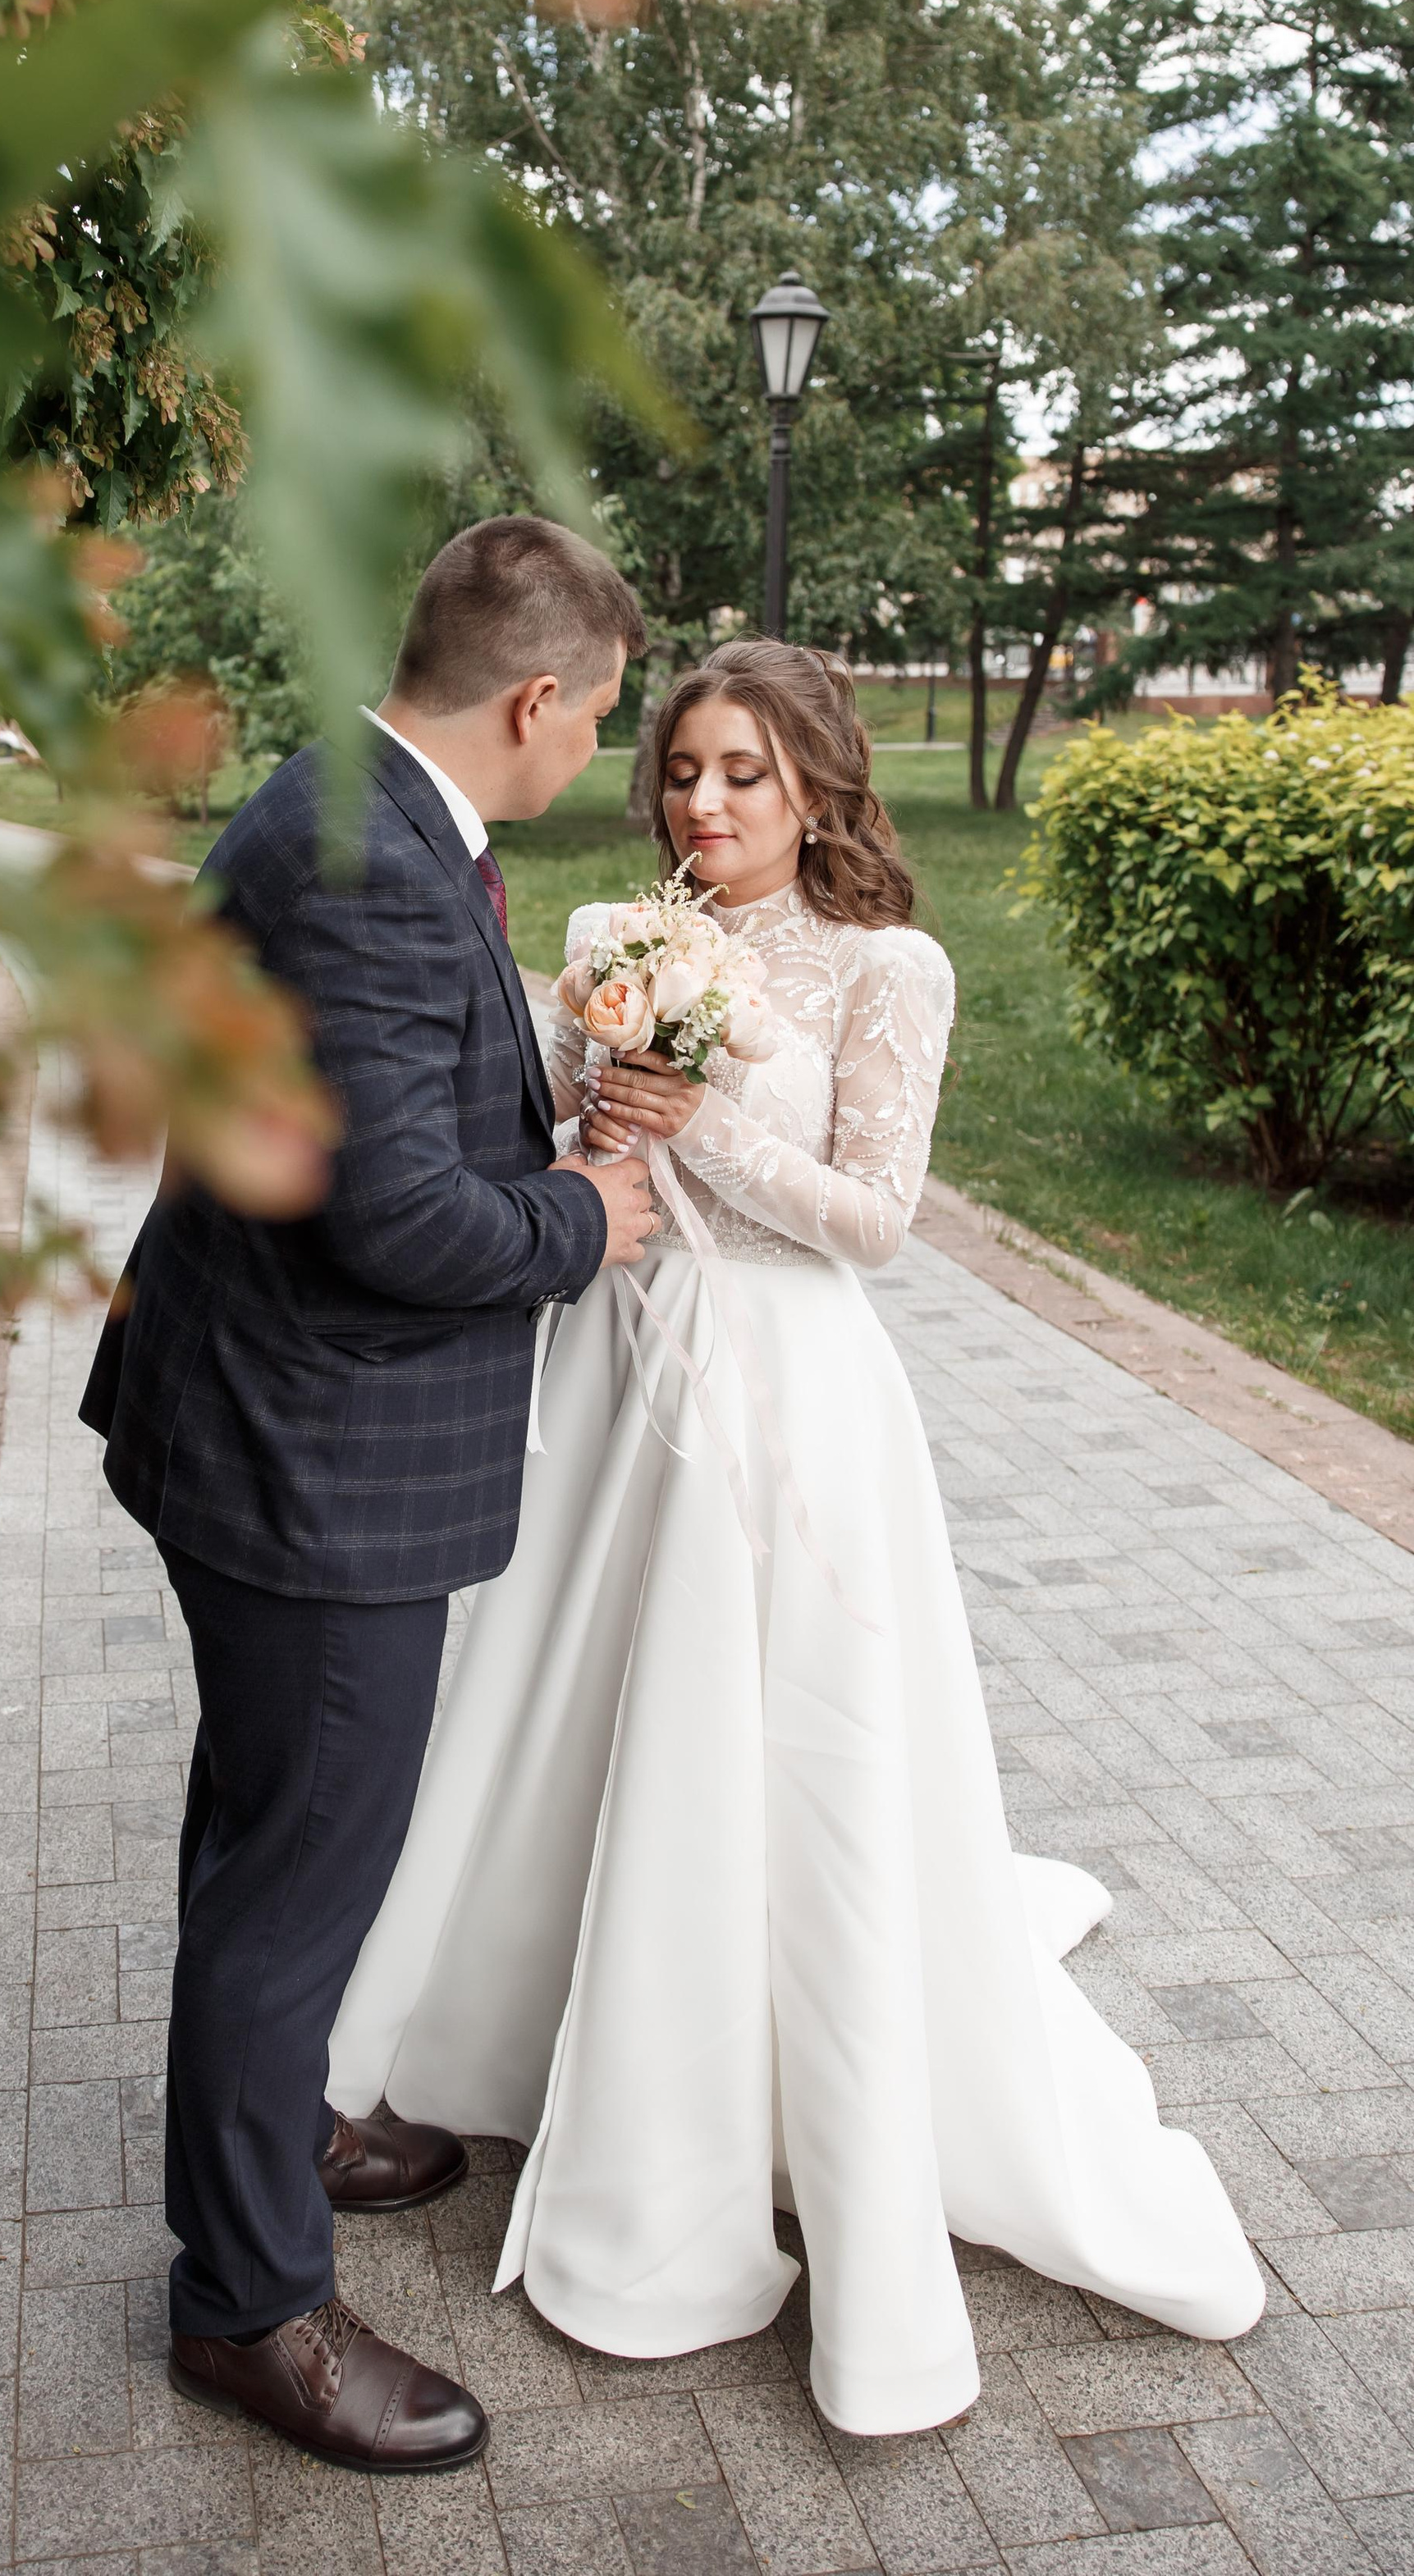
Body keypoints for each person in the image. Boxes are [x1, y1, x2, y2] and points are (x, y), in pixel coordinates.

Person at [328, 638, 1264, 2436]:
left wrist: (700, 1138)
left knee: (780, 1747)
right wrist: (596, 1129)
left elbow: (873, 1222)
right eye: (681, 766)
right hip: (616, 1372)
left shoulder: (883, 967)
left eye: (744, 773)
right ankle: (527, 2033)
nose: (702, 802)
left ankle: (761, 2089)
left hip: (787, 1392)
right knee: (579, 1710)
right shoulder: (613, 936)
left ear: (822, 785)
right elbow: (543, 1146)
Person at [80, 517, 657, 2473]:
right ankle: (248, 2307)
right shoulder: (377, 873)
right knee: (298, 1861)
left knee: (266, 1832)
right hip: (305, 1461)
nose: (595, 754)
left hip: (247, 1418)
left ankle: (284, 2112)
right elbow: (393, 1213)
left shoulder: (347, 800)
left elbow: (380, 1110)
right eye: (598, 722)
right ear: (533, 699)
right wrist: (584, 1212)